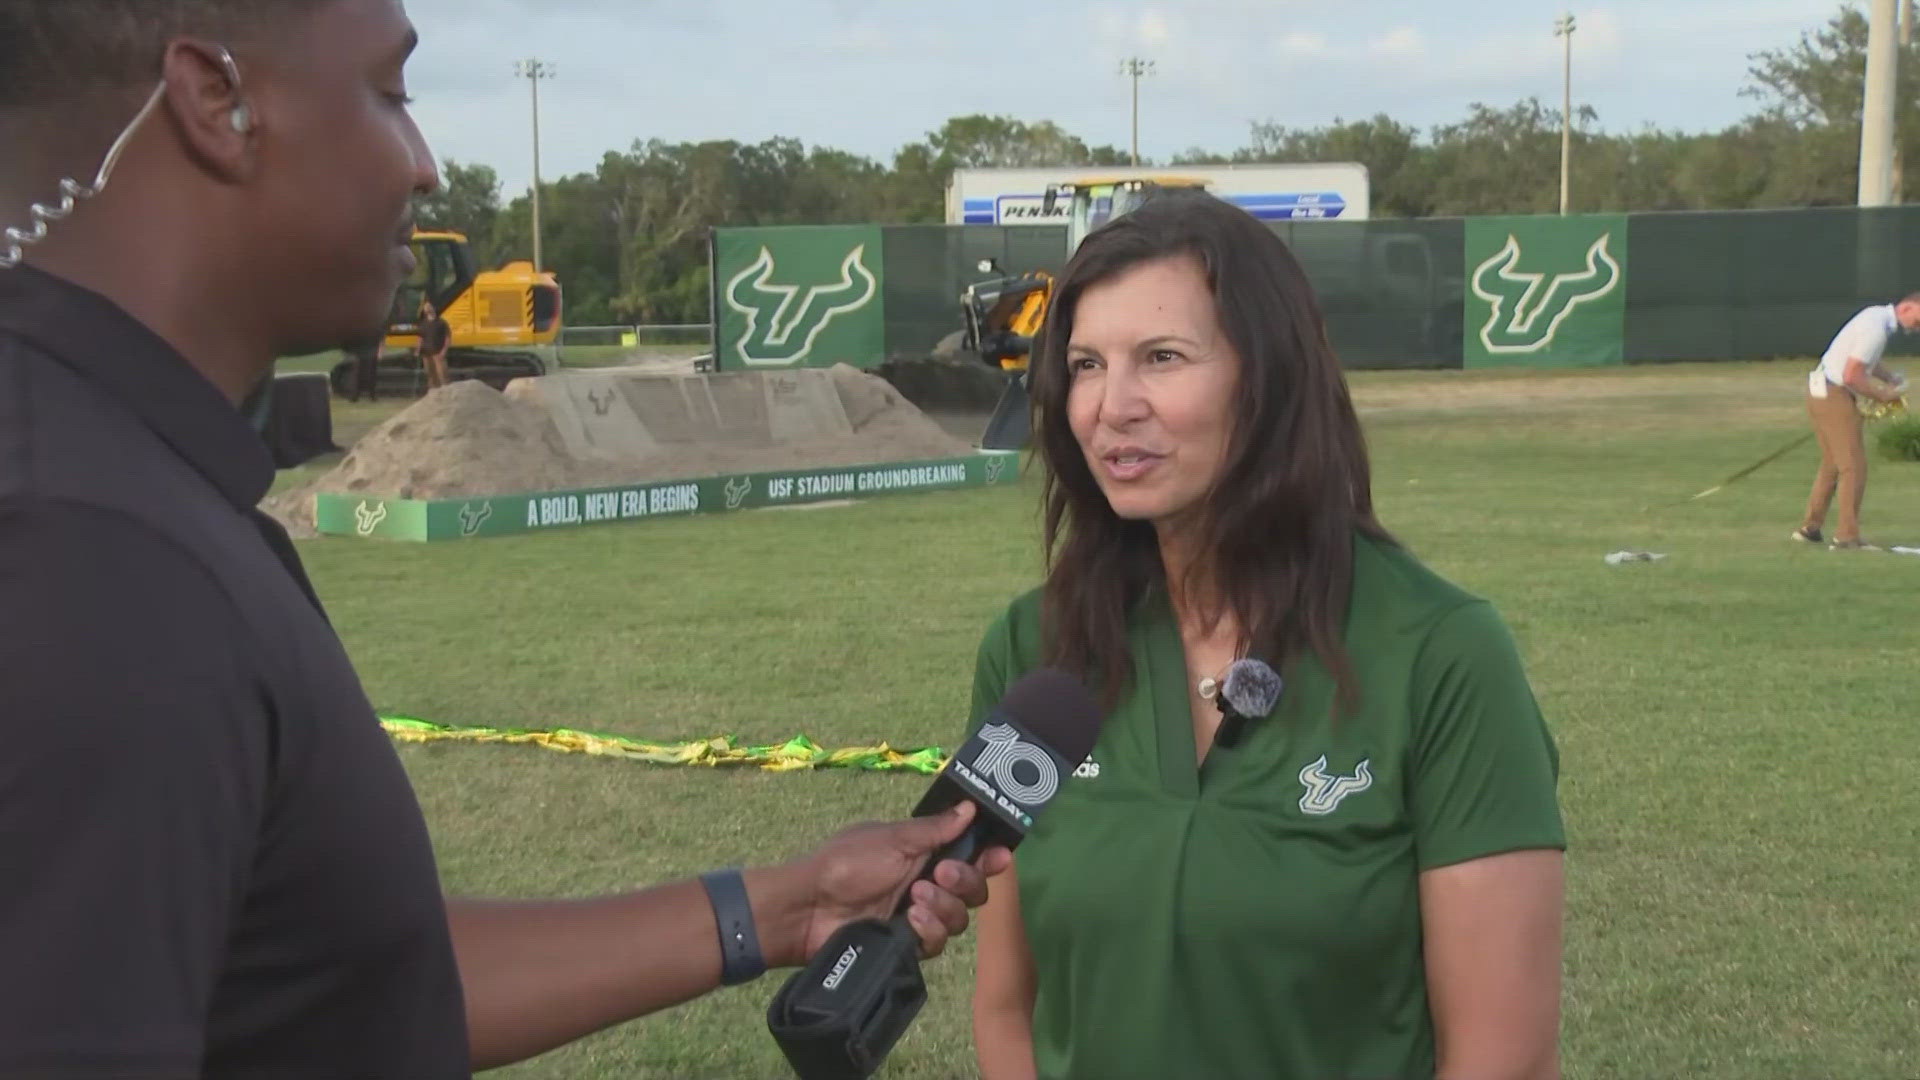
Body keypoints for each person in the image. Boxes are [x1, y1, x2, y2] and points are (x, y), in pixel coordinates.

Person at [0, 2, 1007, 1076]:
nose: (426, 167)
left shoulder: (118, 492)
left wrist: (790, 903)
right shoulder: (87, 559)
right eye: (392, 94)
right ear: (218, 101)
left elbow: (344, 983)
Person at [964, 189, 1567, 1080]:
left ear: (1272, 378)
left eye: (1161, 357)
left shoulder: (1442, 654)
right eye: (1086, 364)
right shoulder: (1033, 649)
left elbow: (1502, 1059)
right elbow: (1008, 1008)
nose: (1110, 405)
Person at [1791, 293, 1920, 550]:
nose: (1917, 328)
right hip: (1835, 393)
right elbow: (1852, 375)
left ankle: (1810, 528)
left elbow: (1864, 360)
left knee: (1833, 463)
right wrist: (1883, 396)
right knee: (1853, 466)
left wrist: (1888, 377)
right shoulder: (1877, 329)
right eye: (1918, 321)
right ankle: (1847, 537)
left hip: (1819, 388)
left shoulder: (1874, 316)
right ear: (1907, 307)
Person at [418, 295, 450, 389]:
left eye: (429, 307)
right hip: (426, 352)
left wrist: (443, 351)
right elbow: (420, 337)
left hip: (438, 351)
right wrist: (418, 349)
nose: (427, 309)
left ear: (433, 308)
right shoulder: (423, 323)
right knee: (429, 373)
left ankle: (445, 390)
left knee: (442, 373)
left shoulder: (441, 322)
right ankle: (432, 391)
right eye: (426, 307)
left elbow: (447, 338)